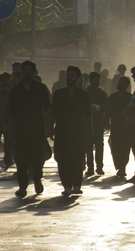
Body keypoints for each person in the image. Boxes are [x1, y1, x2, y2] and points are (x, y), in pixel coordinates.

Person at [8, 60, 52, 198]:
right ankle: (22, 187)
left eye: (29, 70)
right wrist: (9, 130)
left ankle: (37, 180)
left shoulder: (40, 88)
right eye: (25, 70)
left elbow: (48, 109)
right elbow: (10, 112)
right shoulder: (16, 90)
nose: (27, 72)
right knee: (21, 160)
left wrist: (49, 127)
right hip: (20, 130)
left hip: (37, 129)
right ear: (21, 72)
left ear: (34, 72)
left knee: (37, 158)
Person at [52, 65, 92, 196]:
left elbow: (87, 115)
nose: (69, 78)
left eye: (72, 76)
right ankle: (67, 186)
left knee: (77, 158)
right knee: (62, 159)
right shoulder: (59, 93)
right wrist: (49, 129)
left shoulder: (83, 94)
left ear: (78, 78)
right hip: (62, 130)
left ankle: (77, 185)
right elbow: (53, 113)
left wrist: (89, 132)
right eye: (68, 75)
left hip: (78, 130)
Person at [105, 75, 132, 177]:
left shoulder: (130, 98)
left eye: (121, 82)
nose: (118, 84)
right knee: (115, 147)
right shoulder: (112, 97)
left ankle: (122, 167)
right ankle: (119, 166)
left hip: (126, 126)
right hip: (115, 126)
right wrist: (106, 122)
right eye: (118, 82)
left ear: (126, 85)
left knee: (125, 147)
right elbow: (107, 111)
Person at [85, 71, 108, 176]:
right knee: (89, 145)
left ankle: (99, 167)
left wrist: (99, 108)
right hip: (87, 123)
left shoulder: (102, 94)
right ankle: (90, 168)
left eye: (98, 80)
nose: (96, 82)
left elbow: (107, 107)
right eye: (94, 80)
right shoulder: (85, 93)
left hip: (99, 122)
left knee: (99, 145)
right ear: (90, 81)